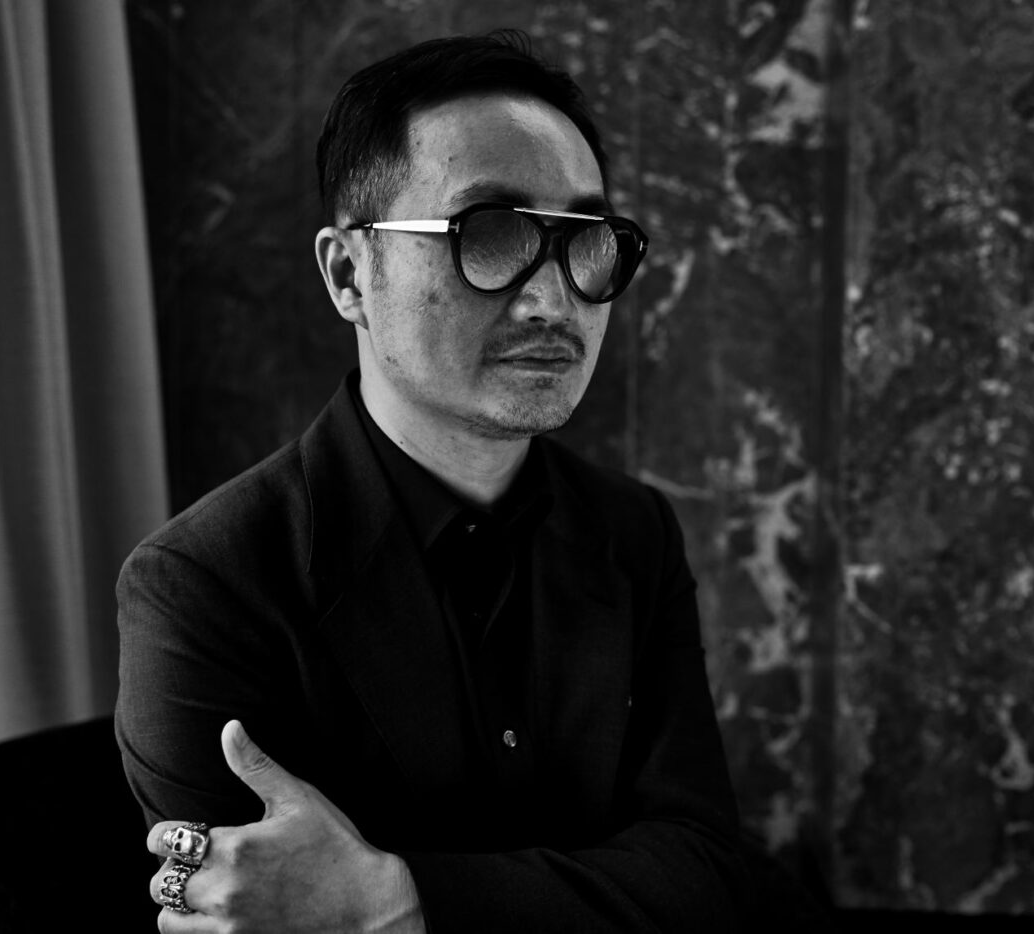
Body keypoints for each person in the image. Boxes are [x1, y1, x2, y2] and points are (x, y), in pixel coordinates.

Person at [116, 30, 753, 932]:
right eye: (486, 234)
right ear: (349, 274)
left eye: (586, 240)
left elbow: (707, 875)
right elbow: (246, 915)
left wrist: (400, 902)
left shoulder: (632, 532)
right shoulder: (205, 585)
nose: (553, 299)